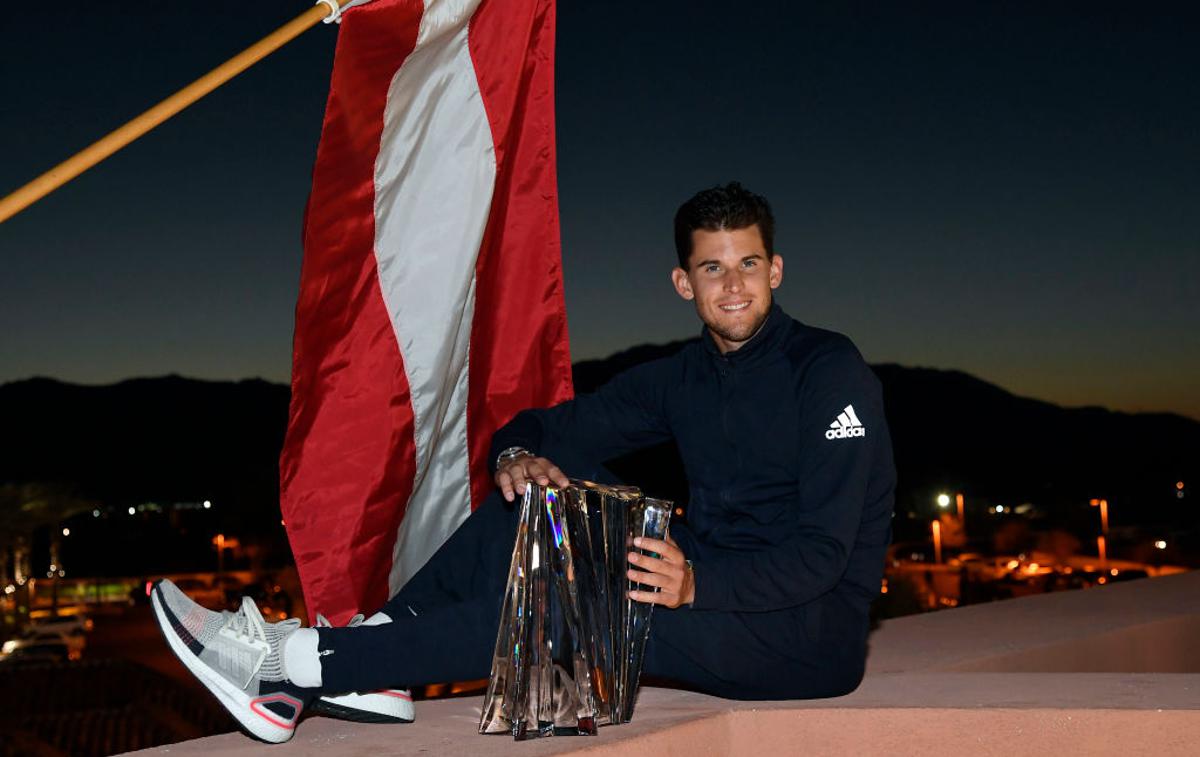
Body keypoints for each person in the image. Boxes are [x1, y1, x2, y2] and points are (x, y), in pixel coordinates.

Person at [150, 182, 896, 743]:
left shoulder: (827, 371)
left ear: (776, 270)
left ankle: (292, 670)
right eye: (712, 268)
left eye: (748, 264)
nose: (733, 285)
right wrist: (515, 452)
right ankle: (378, 648)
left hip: (804, 630)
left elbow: (825, 554)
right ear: (684, 282)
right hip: (711, 575)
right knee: (529, 497)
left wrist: (697, 580)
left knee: (566, 604)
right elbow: (553, 425)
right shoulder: (684, 377)